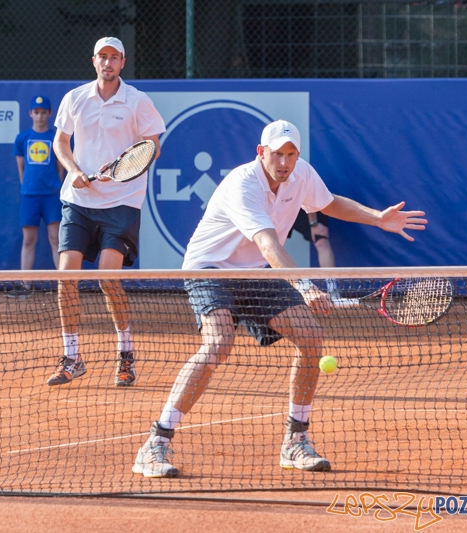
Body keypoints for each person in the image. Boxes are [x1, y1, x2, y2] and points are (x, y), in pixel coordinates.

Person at [132, 119, 427, 477]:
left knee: (311, 337)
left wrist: (377, 218)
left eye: (291, 154)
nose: (284, 162)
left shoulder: (301, 174)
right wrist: (305, 286)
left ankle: (295, 441)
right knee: (219, 343)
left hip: (256, 270)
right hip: (210, 268)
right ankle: (156, 444)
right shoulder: (244, 184)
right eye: (277, 154)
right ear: (261, 152)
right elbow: (268, 244)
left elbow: (330, 203)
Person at [48, 36, 165, 387]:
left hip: (122, 201)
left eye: (115, 58)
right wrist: (74, 170)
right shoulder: (75, 98)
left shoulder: (138, 102)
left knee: (106, 279)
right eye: (103, 57)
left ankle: (125, 352)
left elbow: (152, 148)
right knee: (65, 277)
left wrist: (117, 171)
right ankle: (72, 357)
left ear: (123, 62)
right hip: (79, 202)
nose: (108, 63)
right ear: (94, 60)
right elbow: (59, 142)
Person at [10, 95, 65, 297]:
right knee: (28, 240)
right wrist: (26, 186)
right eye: (36, 112)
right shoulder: (22, 138)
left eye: (43, 112)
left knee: (55, 239)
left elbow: (61, 167)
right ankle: (26, 285)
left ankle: (63, 286)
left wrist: (56, 185)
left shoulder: (55, 138)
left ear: (49, 114)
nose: (40, 116)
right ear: (30, 113)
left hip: (51, 196)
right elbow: (21, 166)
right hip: (29, 196)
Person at [289, 209, 340, 299]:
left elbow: (308, 198)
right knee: (273, 242)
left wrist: (314, 223)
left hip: (312, 206)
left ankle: (332, 290)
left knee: (321, 241)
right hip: (283, 206)